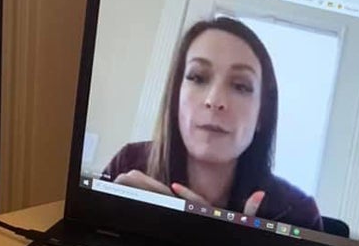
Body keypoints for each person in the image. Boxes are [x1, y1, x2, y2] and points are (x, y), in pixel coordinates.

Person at [104, 16, 323, 231]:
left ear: (262, 115)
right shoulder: (128, 163)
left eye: (240, 86)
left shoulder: (298, 213)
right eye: (198, 77)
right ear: (176, 96)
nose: (214, 101)